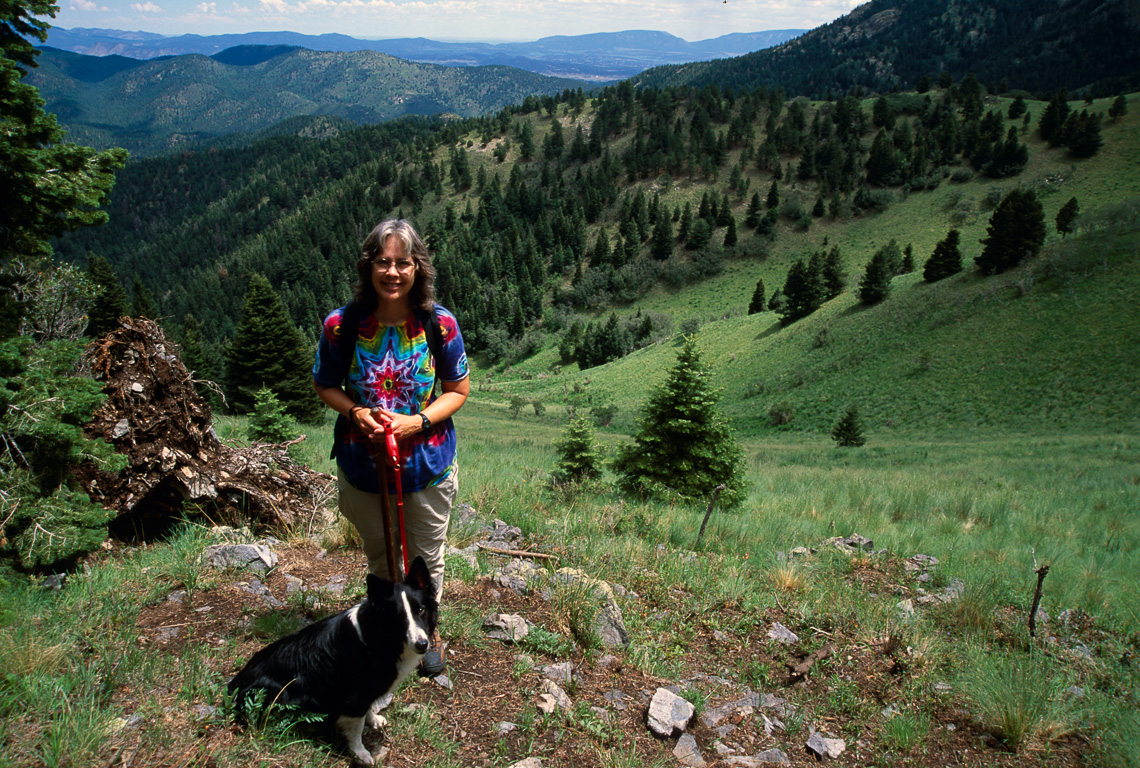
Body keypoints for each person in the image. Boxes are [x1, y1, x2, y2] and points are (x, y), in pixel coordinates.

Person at [313, 218, 469, 676]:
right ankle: (387, 634)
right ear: (369, 267)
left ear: (419, 268)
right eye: (384, 261)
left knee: (425, 559)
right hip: (365, 466)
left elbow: (457, 390)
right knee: (381, 558)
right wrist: (355, 412)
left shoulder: (439, 324)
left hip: (426, 463)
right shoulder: (341, 326)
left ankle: (428, 631)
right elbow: (325, 384)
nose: (393, 272)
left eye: (404, 262)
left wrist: (416, 420)